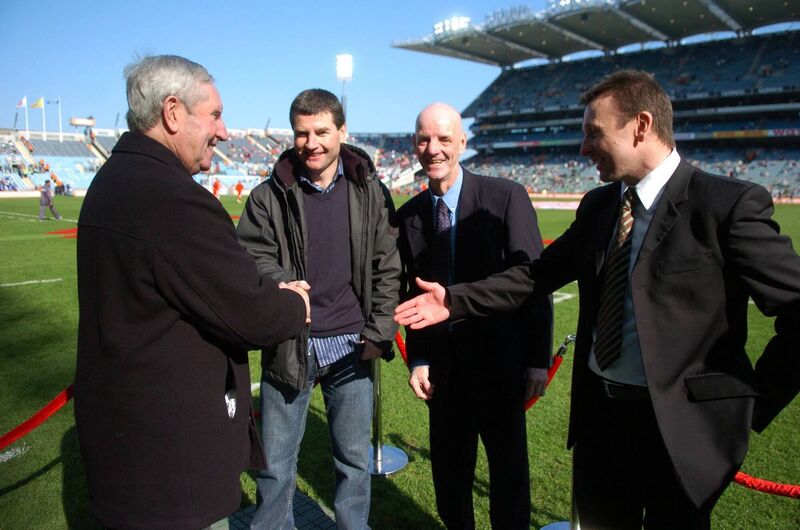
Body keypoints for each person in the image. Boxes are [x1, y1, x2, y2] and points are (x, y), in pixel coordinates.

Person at [395, 71, 800, 529]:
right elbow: (536, 275)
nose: (584, 148)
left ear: (641, 126)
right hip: (601, 424)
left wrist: (749, 403)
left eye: (594, 133)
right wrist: (455, 300)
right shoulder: (600, 207)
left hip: (682, 433)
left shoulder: (724, 204)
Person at [74, 55, 311, 530]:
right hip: (169, 468)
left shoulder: (114, 180)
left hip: (126, 448)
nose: (224, 133)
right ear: (173, 112)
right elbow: (250, 317)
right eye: (216, 115)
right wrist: (293, 302)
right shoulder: (173, 197)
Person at [236, 88, 400, 530]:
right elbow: (250, 254)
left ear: (342, 131)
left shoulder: (370, 190)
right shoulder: (268, 195)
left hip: (353, 345)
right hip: (291, 344)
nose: (312, 143)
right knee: (274, 465)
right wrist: (279, 283)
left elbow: (388, 266)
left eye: (322, 131)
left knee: (353, 462)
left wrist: (379, 332)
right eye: (302, 133)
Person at [396, 103, 553, 529]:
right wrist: (419, 357)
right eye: (424, 139)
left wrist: (537, 358)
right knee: (449, 478)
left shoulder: (505, 198)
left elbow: (532, 281)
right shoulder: (408, 216)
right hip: (443, 375)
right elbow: (414, 296)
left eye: (444, 139)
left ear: (462, 142)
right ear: (414, 144)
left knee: (508, 479)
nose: (434, 149)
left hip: (500, 366)